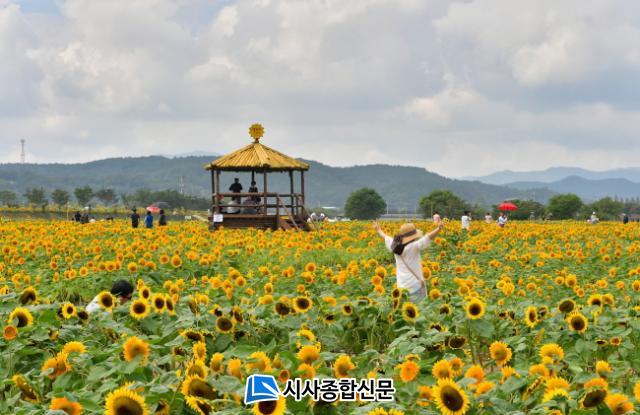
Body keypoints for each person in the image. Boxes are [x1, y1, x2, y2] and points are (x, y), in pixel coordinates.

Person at [374, 221, 443, 302]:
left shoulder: (394, 246)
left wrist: (378, 230)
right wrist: (439, 228)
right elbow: (428, 238)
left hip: (402, 287)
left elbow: (386, 237)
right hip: (415, 286)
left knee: (405, 308)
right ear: (413, 237)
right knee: (420, 308)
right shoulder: (414, 246)